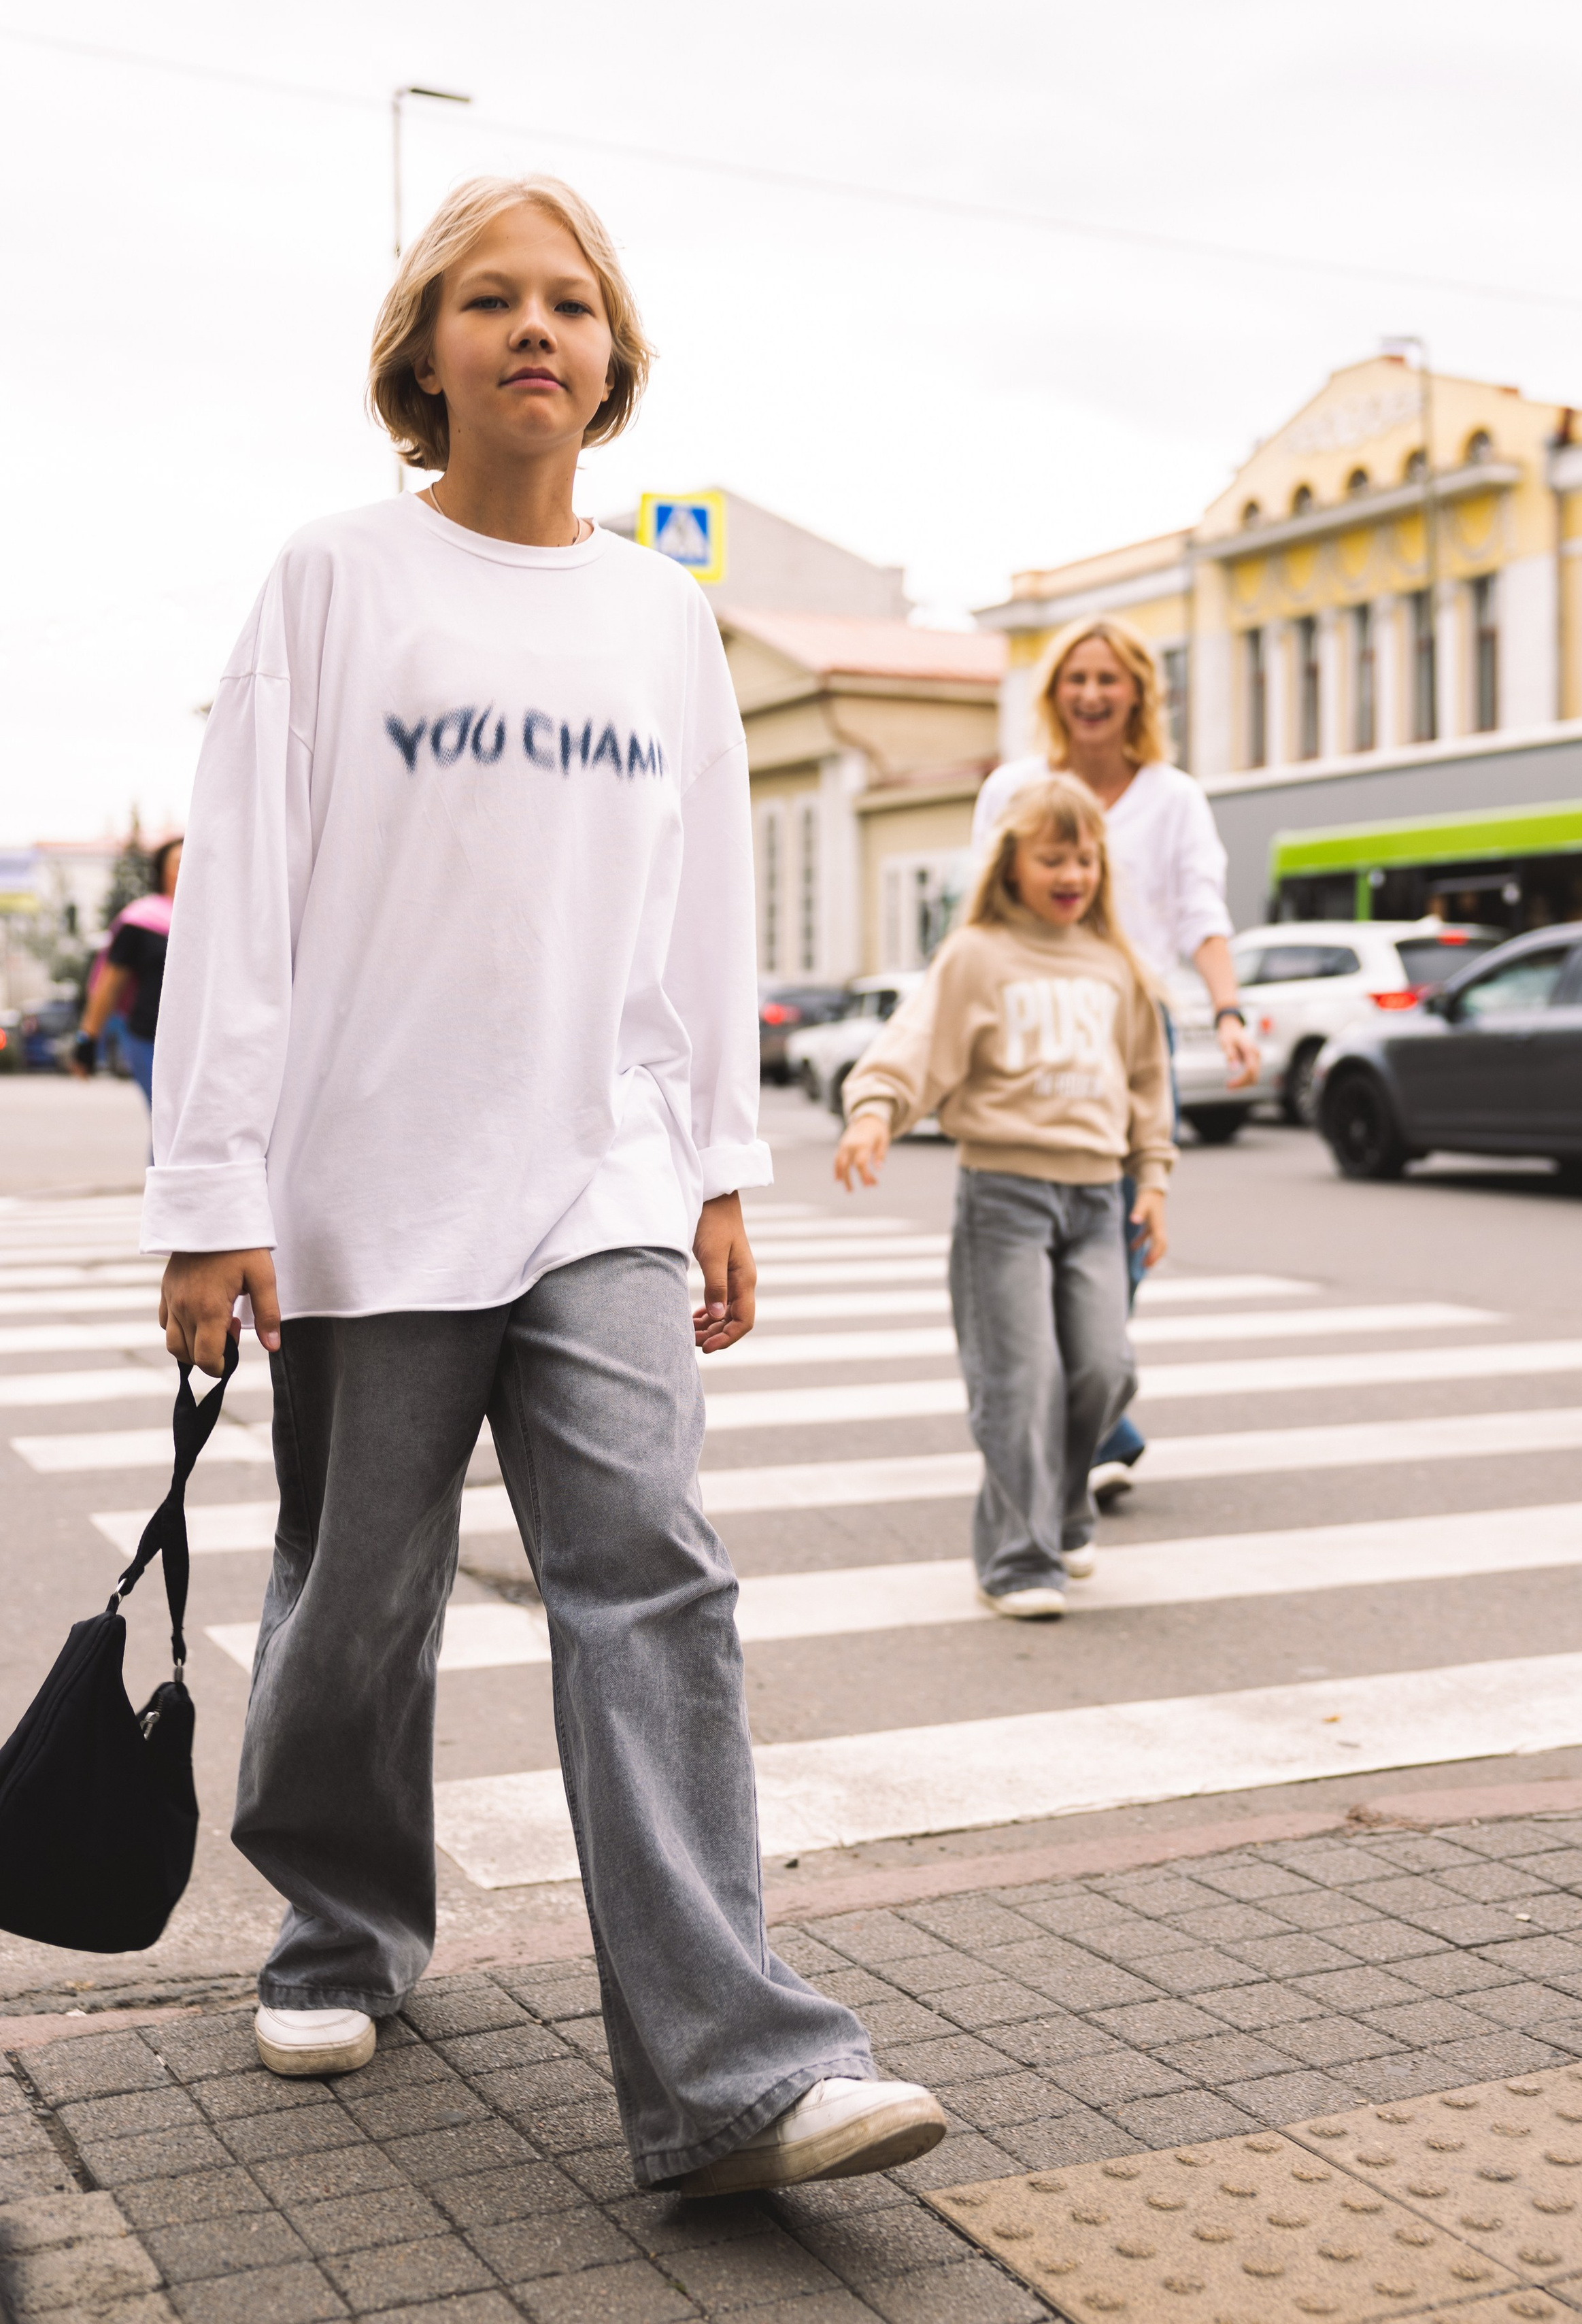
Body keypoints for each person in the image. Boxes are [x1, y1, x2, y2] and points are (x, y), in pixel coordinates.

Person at [142, 173, 944, 2199]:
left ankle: (740, 2067)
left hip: (597, 1178)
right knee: (357, 1593)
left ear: (612, 358)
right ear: (421, 353)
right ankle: (341, 1915)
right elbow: (234, 904)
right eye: (487, 300)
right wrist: (208, 1195)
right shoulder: (334, 579)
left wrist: (719, 1173)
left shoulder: (658, 614)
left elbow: (682, 934)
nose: (533, 329)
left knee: (651, 1565)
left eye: (569, 303)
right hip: (367, 1183)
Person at [834, 775, 1173, 1615]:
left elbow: (1145, 1081)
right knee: (1020, 1378)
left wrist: (1154, 1178)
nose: (1072, 874)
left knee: (1101, 1366)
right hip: (1005, 1195)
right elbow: (914, 1044)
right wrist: (874, 1112)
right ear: (1012, 865)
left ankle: (1063, 1504)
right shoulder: (977, 955)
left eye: (1085, 858)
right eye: (1053, 857)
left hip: (1098, 1198)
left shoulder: (1115, 964)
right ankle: (1018, 1559)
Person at [971, 617, 1258, 1502]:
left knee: (1121, 1238)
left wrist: (1230, 1009)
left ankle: (1091, 1420)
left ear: (1138, 691)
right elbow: (981, 909)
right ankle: (1095, 1428)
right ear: (1053, 693)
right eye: (1076, 679)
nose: (1092, 695)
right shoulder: (1016, 787)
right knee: (1032, 1241)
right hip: (1033, 1032)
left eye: (1109, 679)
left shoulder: (1173, 797)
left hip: (1134, 1037)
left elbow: (1202, 913)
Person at [73, 838, 182, 1129]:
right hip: (148, 1037)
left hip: (198, 1038)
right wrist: (88, 1040)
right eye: (177, 862)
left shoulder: (214, 919)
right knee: (168, 1125)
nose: (185, 866)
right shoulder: (141, 921)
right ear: (161, 871)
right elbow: (108, 987)